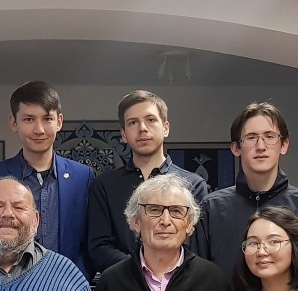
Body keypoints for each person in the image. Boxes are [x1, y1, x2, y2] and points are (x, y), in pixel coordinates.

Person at [192, 102, 298, 283]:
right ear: (236, 148)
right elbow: (198, 278)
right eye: (251, 137)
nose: (261, 146)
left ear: (284, 145)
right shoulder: (212, 208)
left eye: (270, 136)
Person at [94, 174, 226, 291]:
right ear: (136, 221)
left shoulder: (213, 280)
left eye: (176, 211)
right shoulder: (111, 282)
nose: (165, 221)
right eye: (154, 210)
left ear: (189, 224)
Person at [0, 81, 95, 278]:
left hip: (66, 284)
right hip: (7, 285)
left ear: (59, 121)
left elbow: (90, 242)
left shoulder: (83, 177)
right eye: (29, 119)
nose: (39, 129)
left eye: (47, 119)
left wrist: (74, 278)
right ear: (14, 122)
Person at [86, 90, 209, 274]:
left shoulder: (193, 184)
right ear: (123, 135)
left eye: (150, 120)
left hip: (181, 283)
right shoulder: (104, 185)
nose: (142, 128)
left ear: (166, 128)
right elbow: (99, 247)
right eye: (133, 122)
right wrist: (140, 271)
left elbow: (197, 246)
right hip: (122, 283)